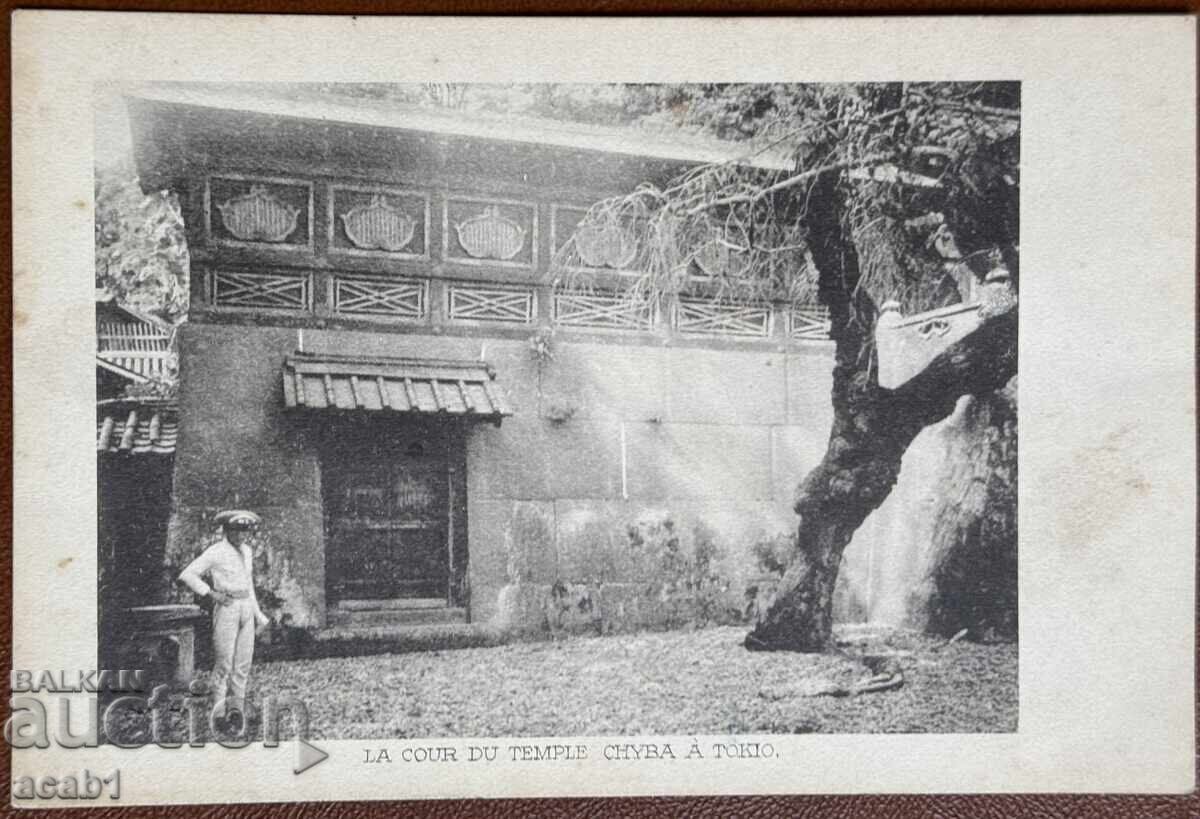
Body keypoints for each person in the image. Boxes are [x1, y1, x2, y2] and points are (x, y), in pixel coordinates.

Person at [178, 509, 270, 721]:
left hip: (246, 606)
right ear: (226, 530)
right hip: (227, 607)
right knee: (224, 663)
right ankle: (218, 711)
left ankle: (238, 708)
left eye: (244, 530)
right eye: (236, 530)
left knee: (243, 663)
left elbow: (249, 586)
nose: (240, 535)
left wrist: (259, 615)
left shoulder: (247, 551)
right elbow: (188, 574)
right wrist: (212, 594)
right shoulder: (216, 551)